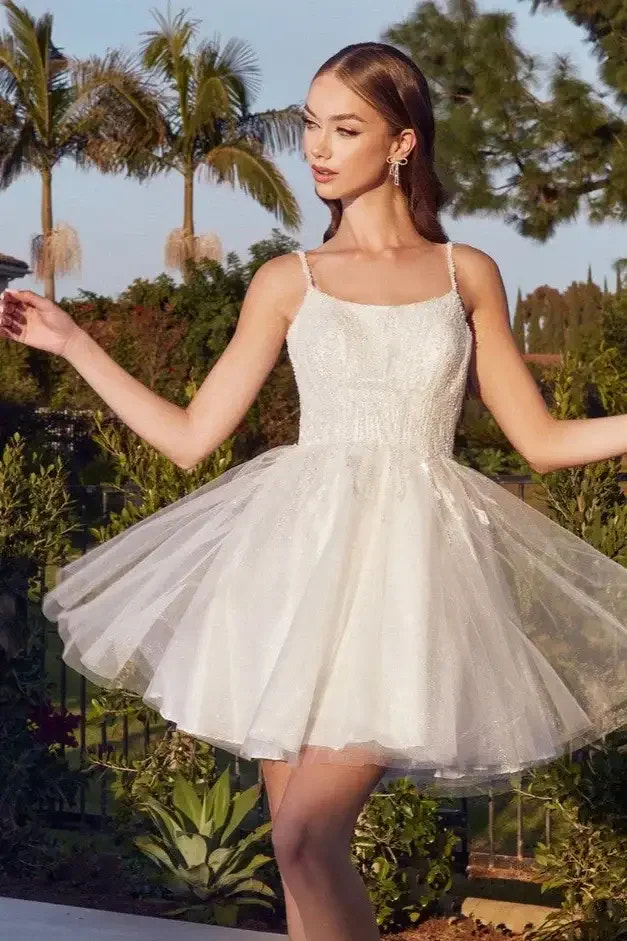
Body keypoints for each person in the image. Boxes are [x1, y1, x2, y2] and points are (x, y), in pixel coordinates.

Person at [1, 40, 626, 941]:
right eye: (309, 125)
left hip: (407, 579)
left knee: (303, 838)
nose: (318, 149)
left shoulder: (467, 274)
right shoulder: (286, 281)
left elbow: (541, 439)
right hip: (287, 574)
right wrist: (74, 345)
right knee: (298, 863)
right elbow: (187, 438)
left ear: (402, 143)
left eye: (344, 127)